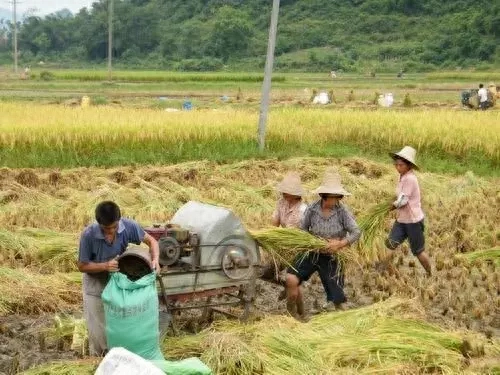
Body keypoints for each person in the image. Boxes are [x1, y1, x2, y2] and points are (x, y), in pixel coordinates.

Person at [78, 201, 160, 356]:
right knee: (99, 332)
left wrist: (155, 259)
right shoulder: (88, 235)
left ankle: (122, 358)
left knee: (120, 323)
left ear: (119, 221)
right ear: (99, 223)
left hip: (118, 281)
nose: (111, 231)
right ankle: (100, 361)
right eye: (106, 229)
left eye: (114, 227)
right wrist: (104, 266)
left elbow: (152, 241)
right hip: (96, 284)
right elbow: (82, 266)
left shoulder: (129, 226)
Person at [285, 170, 361, 318]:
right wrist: (312, 241)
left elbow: (356, 232)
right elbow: (303, 229)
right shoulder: (312, 209)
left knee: (337, 299)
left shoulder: (342, 212)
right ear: (324, 196)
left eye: (339, 197)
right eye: (334, 197)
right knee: (291, 279)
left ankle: (336, 317)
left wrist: (339, 244)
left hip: (333, 256)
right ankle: (292, 314)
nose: (338, 200)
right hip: (312, 252)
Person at [382, 146, 432, 276]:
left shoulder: (410, 179)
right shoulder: (403, 176)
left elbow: (403, 200)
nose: (398, 167)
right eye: (396, 164)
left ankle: (429, 273)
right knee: (390, 244)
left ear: (409, 166)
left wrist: (391, 207)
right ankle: (382, 271)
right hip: (402, 220)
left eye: (401, 165)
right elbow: (400, 195)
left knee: (418, 251)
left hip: (413, 221)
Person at [260, 172, 307, 300]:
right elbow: (275, 222)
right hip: (283, 245)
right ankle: (287, 286)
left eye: (286, 192)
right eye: (283, 191)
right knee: (266, 273)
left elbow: (295, 234)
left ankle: (294, 301)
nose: (283, 194)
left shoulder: (302, 211)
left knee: (290, 277)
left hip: (296, 248)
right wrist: (266, 235)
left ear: (295, 194)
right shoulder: (281, 202)